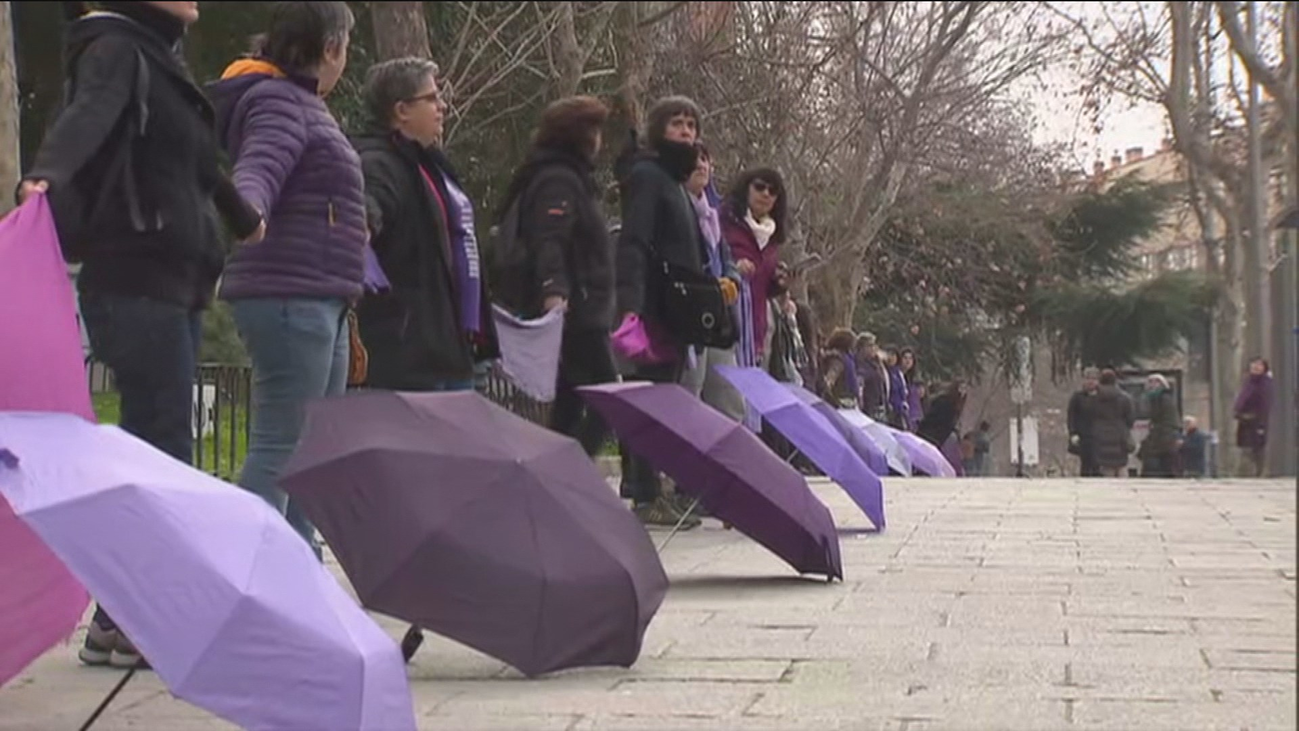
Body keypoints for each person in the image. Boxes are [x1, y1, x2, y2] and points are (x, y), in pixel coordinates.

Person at [20, 0, 264, 670]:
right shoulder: (114, 47)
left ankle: (124, 615)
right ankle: (126, 618)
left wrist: (241, 216)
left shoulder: (160, 61)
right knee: (158, 449)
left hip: (173, 278)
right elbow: (87, 116)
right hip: (132, 276)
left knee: (159, 447)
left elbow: (197, 162)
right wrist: (48, 174)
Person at [208, 1, 360, 555]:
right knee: (281, 449)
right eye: (347, 44)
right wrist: (248, 211)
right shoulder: (280, 102)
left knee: (307, 457)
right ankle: (244, 577)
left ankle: (296, 582)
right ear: (330, 47)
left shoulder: (302, 103)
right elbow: (259, 169)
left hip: (321, 295)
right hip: (292, 296)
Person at [352, 58, 498, 394]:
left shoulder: (432, 164)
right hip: (410, 354)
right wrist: (365, 222)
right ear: (401, 110)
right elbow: (370, 203)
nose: (442, 107)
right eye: (431, 99)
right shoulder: (377, 163)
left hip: (452, 345)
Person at [498, 95, 616, 454]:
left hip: (582, 306)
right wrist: (555, 291)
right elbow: (549, 240)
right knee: (606, 396)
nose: (600, 139)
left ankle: (552, 478)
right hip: (575, 310)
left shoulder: (569, 177)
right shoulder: (559, 180)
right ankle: (568, 472)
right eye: (594, 129)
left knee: (569, 403)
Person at [614, 95, 707, 528]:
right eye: (676, 124)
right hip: (652, 308)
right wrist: (631, 306)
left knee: (662, 400)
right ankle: (646, 494)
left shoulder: (677, 184)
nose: (686, 132)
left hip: (676, 311)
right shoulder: (649, 177)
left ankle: (647, 487)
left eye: (691, 124)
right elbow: (634, 241)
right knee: (651, 403)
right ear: (659, 129)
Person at [679, 142, 744, 420]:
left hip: (718, 319)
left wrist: (732, 279)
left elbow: (726, 257)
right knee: (688, 399)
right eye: (695, 160)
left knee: (730, 401)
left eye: (705, 159)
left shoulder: (713, 216)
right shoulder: (674, 208)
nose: (701, 165)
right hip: (689, 318)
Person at [721, 168, 786, 369]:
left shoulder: (772, 238)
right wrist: (733, 268)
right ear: (745, 189)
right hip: (726, 322)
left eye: (773, 191)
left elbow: (764, 287)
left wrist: (779, 283)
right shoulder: (724, 219)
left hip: (757, 329)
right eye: (759, 187)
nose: (765, 194)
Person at [1091, 370, 1136, 477]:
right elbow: (1131, 418)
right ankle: (1124, 490)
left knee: (1106, 466)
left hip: (1101, 435)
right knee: (1121, 465)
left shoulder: (1095, 398)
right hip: (1120, 434)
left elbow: (1090, 415)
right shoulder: (1125, 398)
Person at [1233, 357, 1273, 477]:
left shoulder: (1264, 384)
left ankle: (1257, 472)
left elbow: (1265, 403)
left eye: (1259, 365)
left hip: (1256, 419)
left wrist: (1261, 422)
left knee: (1256, 447)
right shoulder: (1249, 382)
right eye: (1253, 365)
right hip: (1244, 419)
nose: (1255, 367)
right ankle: (1248, 472)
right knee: (1246, 446)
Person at [1139, 373, 1180, 478]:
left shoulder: (1164, 399)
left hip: (1163, 439)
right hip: (1159, 437)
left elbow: (1167, 421)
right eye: (1150, 382)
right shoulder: (1152, 399)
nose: (1152, 384)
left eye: (1156, 382)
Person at [1067, 367, 1102, 477]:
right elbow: (1071, 416)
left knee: (1098, 465)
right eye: (1088, 378)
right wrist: (1073, 433)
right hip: (1083, 436)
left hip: (1099, 436)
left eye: (1094, 379)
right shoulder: (1078, 397)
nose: (1091, 381)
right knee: (1086, 465)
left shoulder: (1102, 397)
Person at [918, 381, 967, 449]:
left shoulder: (945, 401)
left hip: (928, 434)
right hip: (934, 438)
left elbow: (930, 415)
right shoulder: (954, 407)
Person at [818, 328, 860, 408]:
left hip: (848, 400)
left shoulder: (847, 358)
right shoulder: (838, 359)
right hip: (841, 401)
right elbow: (830, 379)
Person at [854, 333, 888, 421]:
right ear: (861, 347)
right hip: (867, 409)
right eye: (870, 345)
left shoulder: (874, 364)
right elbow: (860, 384)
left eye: (874, 345)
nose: (873, 348)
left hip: (879, 407)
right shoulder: (858, 364)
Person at [882, 347, 909, 429]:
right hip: (888, 408)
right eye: (889, 354)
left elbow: (902, 390)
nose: (891, 358)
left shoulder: (898, 373)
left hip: (899, 408)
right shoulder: (883, 371)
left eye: (894, 355)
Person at [899, 348, 924, 432]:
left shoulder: (915, 379)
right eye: (905, 358)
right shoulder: (898, 376)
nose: (908, 361)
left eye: (910, 358)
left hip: (916, 417)